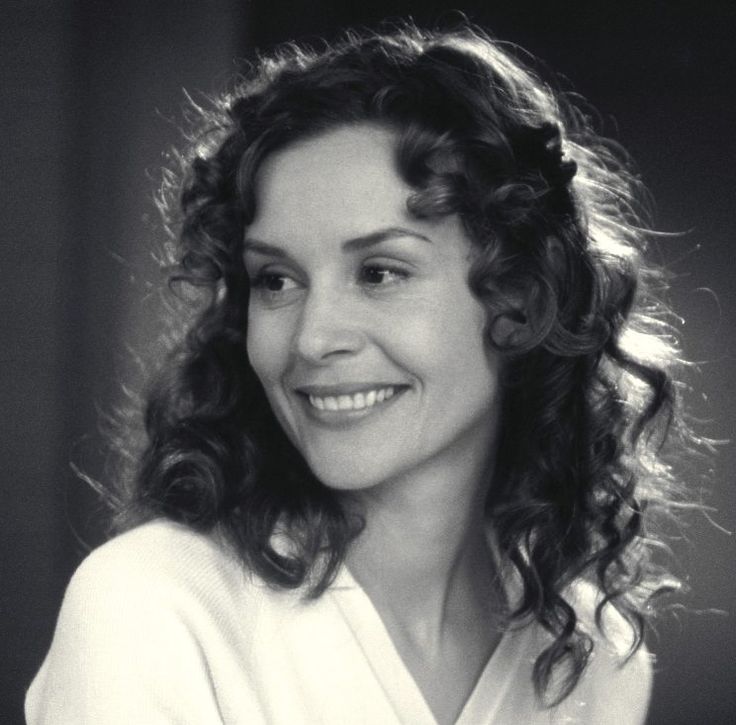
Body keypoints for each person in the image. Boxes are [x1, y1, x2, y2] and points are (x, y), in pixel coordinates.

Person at [26, 22, 697, 724]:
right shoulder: (151, 608)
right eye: (276, 279)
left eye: (380, 271)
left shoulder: (594, 657)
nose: (312, 338)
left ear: (521, 298)